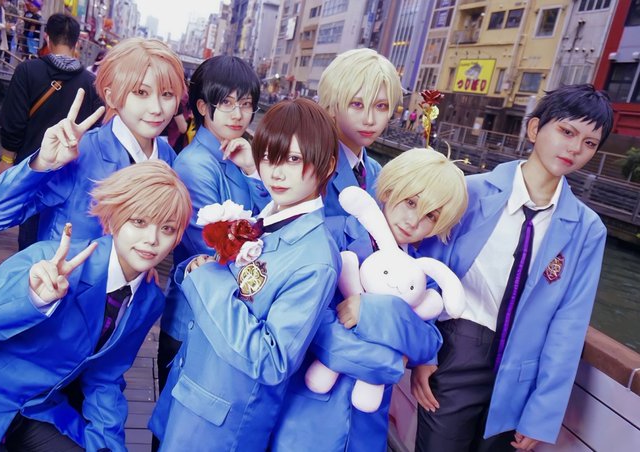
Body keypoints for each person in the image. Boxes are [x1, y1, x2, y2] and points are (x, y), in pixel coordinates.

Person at [411, 84, 614, 451]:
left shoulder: (587, 230)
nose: (574, 148)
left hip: (521, 374)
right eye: (566, 132)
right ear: (535, 129)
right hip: (456, 352)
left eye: (589, 143)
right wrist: (423, 354)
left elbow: (569, 323)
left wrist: (543, 412)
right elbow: (429, 270)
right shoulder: (470, 192)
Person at [149, 98, 342, 451]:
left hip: (222, 428)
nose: (276, 172)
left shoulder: (316, 258)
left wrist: (208, 280)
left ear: (327, 164)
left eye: (293, 159)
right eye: (268, 157)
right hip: (190, 395)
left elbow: (273, 360)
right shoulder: (266, 220)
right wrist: (197, 268)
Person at [0, 160, 191, 451]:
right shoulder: (51, 259)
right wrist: (31, 297)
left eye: (167, 228)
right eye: (139, 222)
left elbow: (105, 375)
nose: (152, 240)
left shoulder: (149, 300)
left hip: (36, 408)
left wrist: (108, 444)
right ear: (113, 219)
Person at [270, 148, 468, 452]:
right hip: (307, 413)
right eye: (411, 202)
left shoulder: (422, 273)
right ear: (390, 190)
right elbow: (307, 327)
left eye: (431, 216)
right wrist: (390, 361)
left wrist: (375, 310)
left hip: (367, 426)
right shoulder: (334, 234)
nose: (414, 220)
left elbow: (427, 343)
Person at [0, 37, 184, 245]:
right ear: (111, 97)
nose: (156, 108)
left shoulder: (169, 159)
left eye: (167, 94)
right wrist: (41, 163)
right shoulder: (81, 153)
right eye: (141, 92)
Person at [155, 55, 269, 396]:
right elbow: (215, 247)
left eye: (246, 104)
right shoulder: (194, 165)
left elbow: (267, 219)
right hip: (193, 318)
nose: (239, 114)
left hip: (225, 313)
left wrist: (252, 170)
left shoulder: (237, 155)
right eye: (228, 103)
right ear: (204, 106)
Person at [0, 12, 102, 250]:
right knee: (61, 233)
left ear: (47, 38)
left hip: (33, 168)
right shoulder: (91, 83)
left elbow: (14, 121)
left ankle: (30, 266)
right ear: (77, 43)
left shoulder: (27, 71)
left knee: (29, 229)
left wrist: (7, 160)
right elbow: (95, 130)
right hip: (72, 173)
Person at [318, 48, 402, 217]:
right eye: (357, 104)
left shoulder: (377, 172)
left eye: (381, 106)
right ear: (331, 106)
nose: (369, 120)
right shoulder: (312, 165)